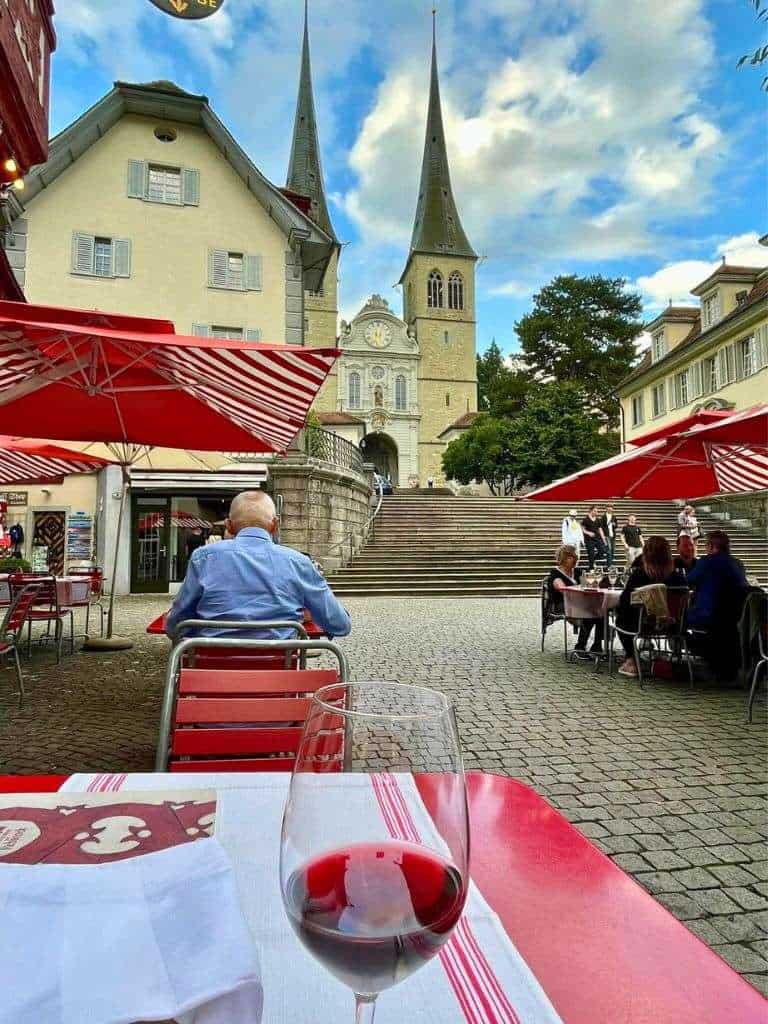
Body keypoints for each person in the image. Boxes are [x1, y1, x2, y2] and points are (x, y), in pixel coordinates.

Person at [165, 491, 351, 640]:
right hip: (278, 674)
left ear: (229, 526)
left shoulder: (203, 558)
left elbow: (175, 625)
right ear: (275, 525)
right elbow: (340, 625)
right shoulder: (299, 562)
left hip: (212, 673)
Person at [615, 536, 686, 678]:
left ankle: (631, 659)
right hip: (672, 625)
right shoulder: (677, 577)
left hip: (642, 624)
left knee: (621, 619)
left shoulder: (639, 575)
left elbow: (624, 601)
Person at [686, 530, 748, 680]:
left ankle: (696, 652)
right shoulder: (737, 564)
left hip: (707, 614)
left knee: (676, 621)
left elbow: (687, 581)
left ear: (712, 546)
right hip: (734, 617)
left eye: (707, 544)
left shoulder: (706, 562)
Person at [547, 544, 604, 659]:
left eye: (576, 556)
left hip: (581, 603)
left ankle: (596, 647)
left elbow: (590, 585)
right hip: (563, 605)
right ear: (564, 558)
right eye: (572, 557)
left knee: (602, 613)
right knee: (591, 613)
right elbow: (564, 590)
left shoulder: (578, 572)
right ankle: (580, 647)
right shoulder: (556, 575)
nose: (576, 559)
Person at [581, 505, 606, 570]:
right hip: (589, 540)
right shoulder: (585, 519)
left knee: (602, 551)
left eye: (597, 511)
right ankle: (591, 568)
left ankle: (593, 559)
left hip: (597, 539)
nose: (596, 513)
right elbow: (582, 529)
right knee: (591, 554)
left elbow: (600, 530)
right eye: (595, 511)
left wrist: (604, 539)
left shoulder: (598, 520)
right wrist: (588, 533)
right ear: (591, 511)